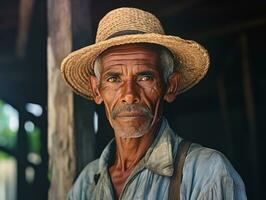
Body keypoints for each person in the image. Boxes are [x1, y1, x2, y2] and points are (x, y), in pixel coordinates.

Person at [61, 7, 247, 200]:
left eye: (145, 77)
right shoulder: (87, 183)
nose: (129, 95)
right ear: (96, 90)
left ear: (170, 87)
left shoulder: (206, 173)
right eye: (114, 78)